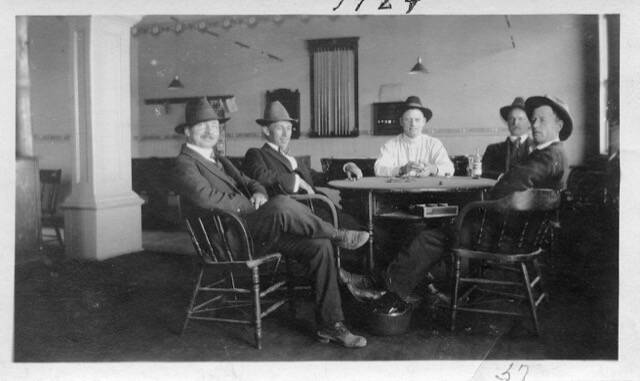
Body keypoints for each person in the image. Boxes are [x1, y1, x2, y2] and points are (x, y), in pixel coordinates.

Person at [173, 97, 370, 348]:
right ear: (188, 132)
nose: (211, 131)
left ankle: (331, 325)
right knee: (281, 203)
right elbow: (205, 198)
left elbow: (250, 181)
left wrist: (259, 193)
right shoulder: (184, 163)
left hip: (250, 231)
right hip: (228, 239)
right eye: (203, 126)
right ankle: (337, 234)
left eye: (214, 125)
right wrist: (254, 204)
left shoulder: (219, 159)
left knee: (319, 246)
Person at [346, 95, 572, 311]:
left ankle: (388, 290)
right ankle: (402, 284)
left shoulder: (546, 156)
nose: (534, 124)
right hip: (520, 232)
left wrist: (490, 194)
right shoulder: (555, 154)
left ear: (559, 124)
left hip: (504, 234)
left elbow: (506, 188)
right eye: (534, 119)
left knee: (428, 237)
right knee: (434, 232)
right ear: (401, 122)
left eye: (541, 119)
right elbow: (513, 185)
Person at [243, 100, 363, 198]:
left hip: (319, 205)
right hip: (298, 213)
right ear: (266, 130)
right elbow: (261, 176)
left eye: (289, 128)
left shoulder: (292, 159)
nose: (286, 134)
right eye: (280, 128)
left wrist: (345, 168)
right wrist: (296, 181)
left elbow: (318, 177)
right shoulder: (256, 154)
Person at [374, 96, 454, 177]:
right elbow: (378, 169)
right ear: (401, 122)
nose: (413, 124)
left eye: (417, 120)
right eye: (408, 120)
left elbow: (450, 169)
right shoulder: (391, 145)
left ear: (424, 122)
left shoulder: (434, 144)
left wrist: (432, 169)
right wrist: (402, 169)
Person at [482, 97, 535, 179]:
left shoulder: (538, 148)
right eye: (511, 119)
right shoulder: (493, 150)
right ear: (507, 123)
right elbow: (482, 171)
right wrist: (501, 177)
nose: (515, 123)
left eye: (520, 119)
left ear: (529, 123)